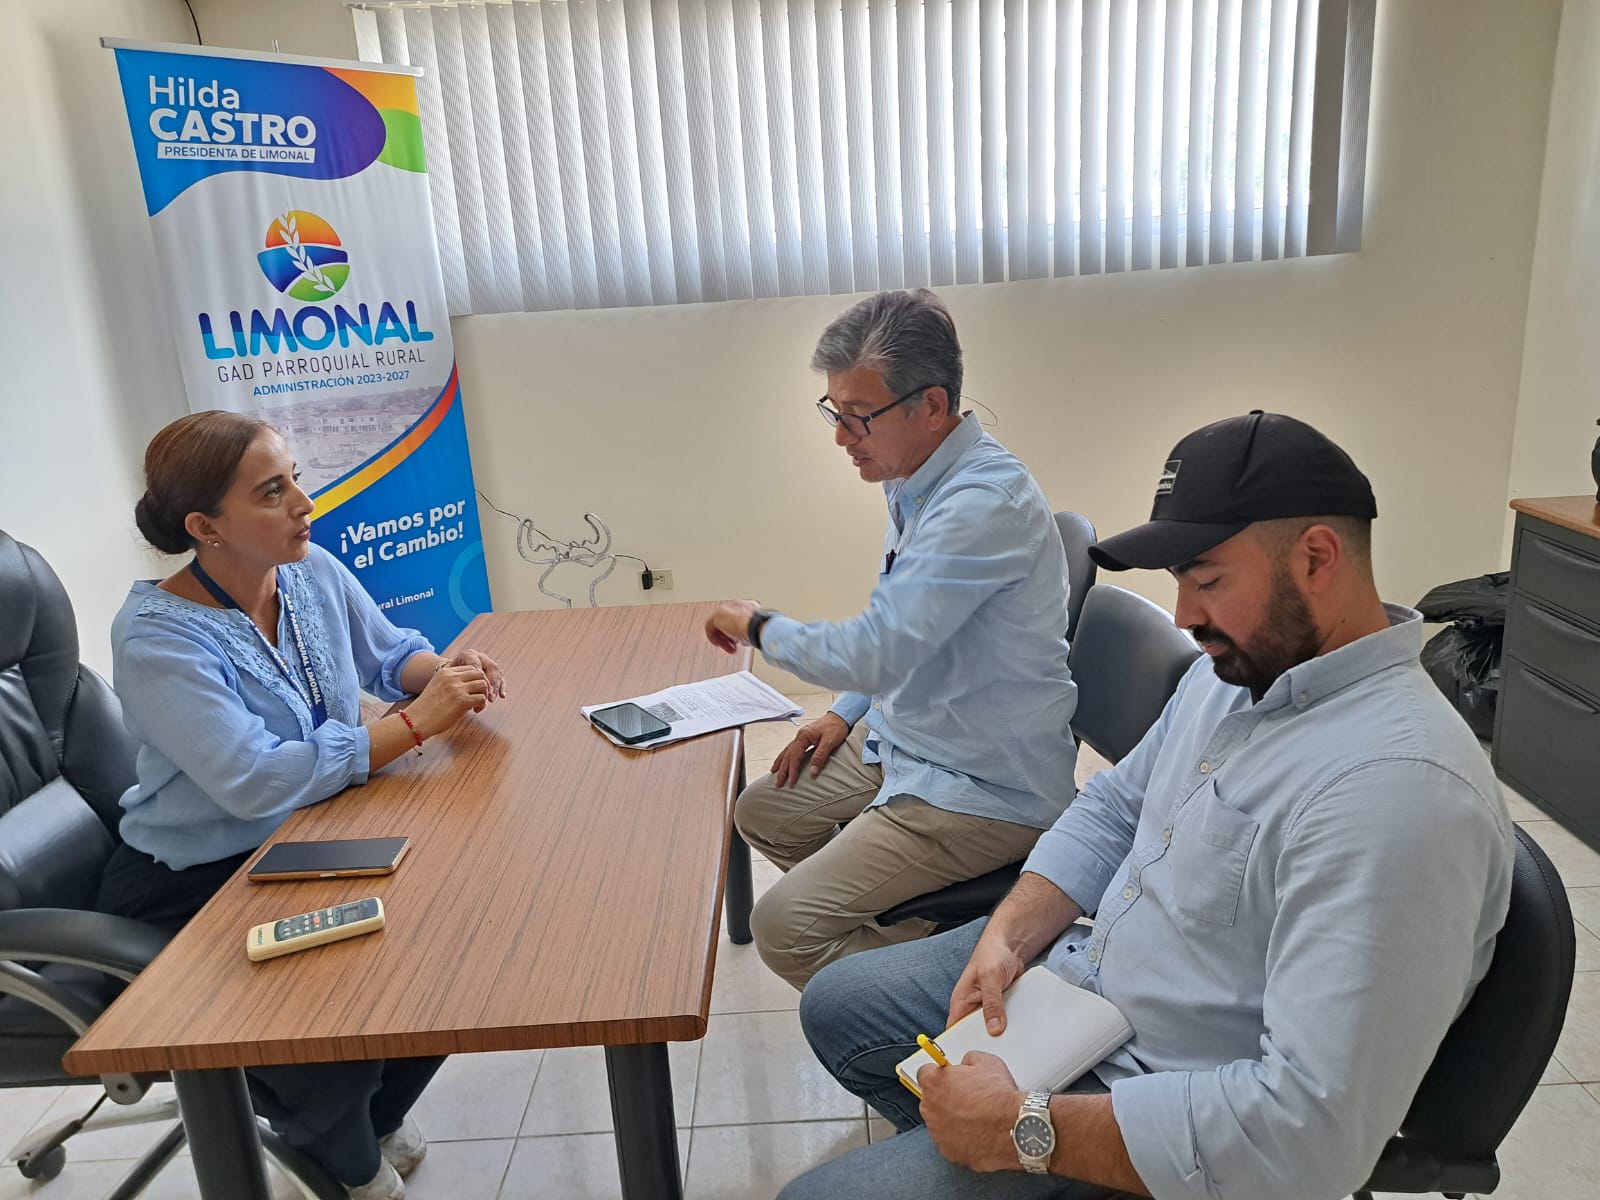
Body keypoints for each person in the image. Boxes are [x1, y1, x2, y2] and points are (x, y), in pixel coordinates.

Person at [778, 411, 1514, 1200]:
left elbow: (1307, 1134)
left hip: (1168, 1103)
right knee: (839, 1007)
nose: (1186, 615)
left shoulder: (1396, 794)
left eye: (1207, 579)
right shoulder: (1239, 674)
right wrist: (1009, 933)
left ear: (1316, 558)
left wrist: (1019, 1129)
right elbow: (1116, 806)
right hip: (1088, 989)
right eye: (1179, 582)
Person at [98, 410, 508, 1200]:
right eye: (271, 492)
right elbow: (253, 780)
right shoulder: (157, 639)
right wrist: (414, 726)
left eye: (294, 479)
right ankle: (341, 1161)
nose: (303, 504)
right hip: (199, 879)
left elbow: (388, 654)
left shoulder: (309, 568)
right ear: (205, 527)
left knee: (452, 947)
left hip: (311, 834)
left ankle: (370, 1121)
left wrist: (444, 675)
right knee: (327, 1030)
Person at [704, 288, 1078, 990]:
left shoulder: (979, 506)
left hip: (982, 786)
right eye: (834, 412)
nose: (841, 436)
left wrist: (756, 626)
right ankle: (904, 938)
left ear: (931, 406)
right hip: (911, 740)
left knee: (784, 928)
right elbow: (906, 635)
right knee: (764, 812)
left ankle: (948, 985)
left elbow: (877, 650)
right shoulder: (915, 479)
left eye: (858, 416)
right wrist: (846, 712)